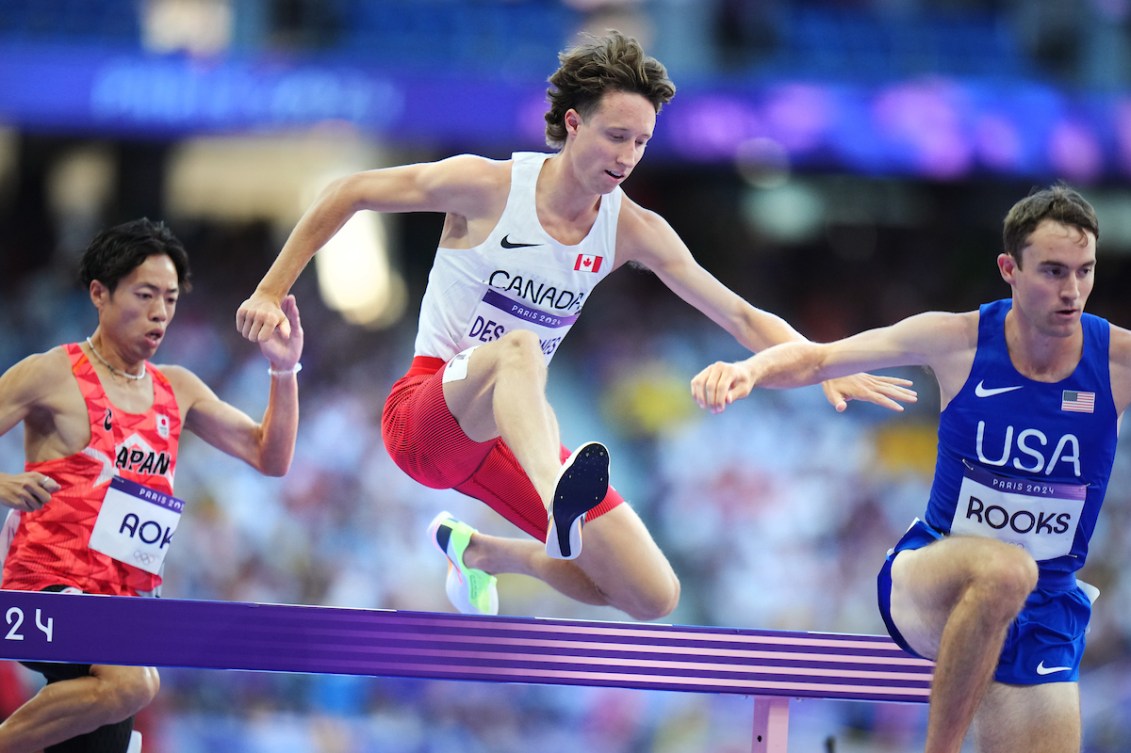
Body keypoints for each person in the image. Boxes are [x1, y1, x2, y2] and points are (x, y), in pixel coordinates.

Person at [236, 30, 913, 621]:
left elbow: (735, 312)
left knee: (651, 594)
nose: (628, 155)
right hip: (424, 412)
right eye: (616, 135)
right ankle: (555, 490)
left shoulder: (632, 229)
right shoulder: (489, 186)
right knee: (520, 348)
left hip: (503, 436)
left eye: (642, 142)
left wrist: (824, 360)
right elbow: (348, 191)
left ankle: (487, 553)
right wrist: (270, 288)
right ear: (573, 123)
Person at [691, 184, 1125, 753]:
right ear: (1009, 270)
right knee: (1004, 570)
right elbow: (821, 357)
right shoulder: (959, 341)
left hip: (1047, 607)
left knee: (1019, 579)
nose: (1072, 292)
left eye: (1083, 271)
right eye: (1052, 271)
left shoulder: (1116, 360)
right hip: (932, 577)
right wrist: (750, 369)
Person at [0, 218, 304, 753]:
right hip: (44, 589)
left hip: (124, 606)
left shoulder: (177, 389)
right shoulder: (50, 374)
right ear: (99, 293)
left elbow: (270, 455)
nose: (160, 311)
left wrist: (284, 371)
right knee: (132, 683)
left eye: (169, 298)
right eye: (144, 295)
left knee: (108, 723)